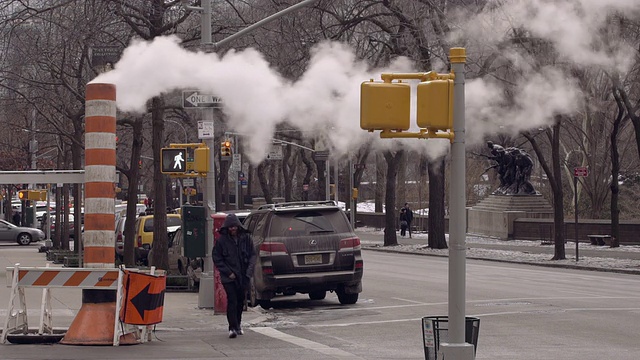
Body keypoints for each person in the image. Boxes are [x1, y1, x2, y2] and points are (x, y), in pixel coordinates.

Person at [212, 214, 256, 339]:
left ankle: (238, 324)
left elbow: (253, 255)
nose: (233, 229)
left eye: (234, 226)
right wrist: (227, 272)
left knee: (240, 300)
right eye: (230, 227)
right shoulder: (221, 241)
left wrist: (248, 272)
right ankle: (232, 327)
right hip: (229, 277)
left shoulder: (246, 238)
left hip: (243, 275)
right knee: (232, 300)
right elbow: (217, 258)